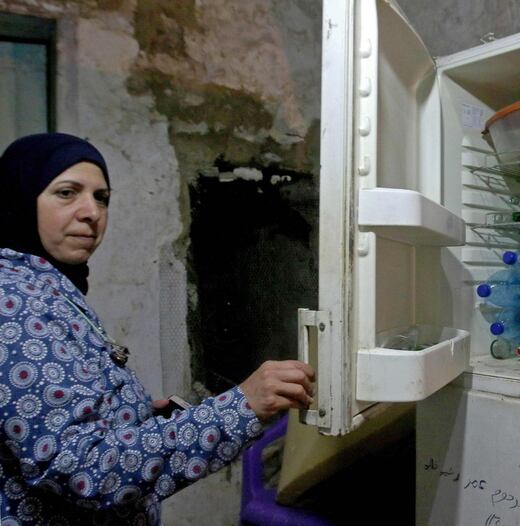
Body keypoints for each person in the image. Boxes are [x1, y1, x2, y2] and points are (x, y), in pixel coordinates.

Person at [0, 133, 316, 525]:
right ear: (17, 199)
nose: (91, 212)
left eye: (101, 198)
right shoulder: (13, 304)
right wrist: (240, 406)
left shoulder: (48, 288)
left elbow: (55, 420)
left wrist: (132, 413)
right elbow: (86, 470)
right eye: (67, 193)